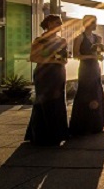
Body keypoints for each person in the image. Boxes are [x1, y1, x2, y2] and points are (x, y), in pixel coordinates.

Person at [25, 14, 69, 146]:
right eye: (56, 22)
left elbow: (65, 60)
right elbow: (33, 57)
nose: (59, 25)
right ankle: (41, 135)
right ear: (48, 24)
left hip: (58, 73)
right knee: (43, 102)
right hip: (43, 74)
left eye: (60, 23)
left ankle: (58, 134)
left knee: (58, 102)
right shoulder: (39, 40)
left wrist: (60, 60)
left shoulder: (62, 41)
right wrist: (51, 59)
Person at [69, 15, 104, 135]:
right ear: (86, 23)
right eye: (93, 23)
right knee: (84, 92)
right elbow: (76, 55)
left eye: (96, 22)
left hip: (95, 68)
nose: (95, 25)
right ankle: (82, 124)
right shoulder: (79, 38)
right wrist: (92, 56)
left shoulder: (98, 38)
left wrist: (99, 56)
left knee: (96, 92)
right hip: (85, 68)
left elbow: (99, 53)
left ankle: (96, 124)